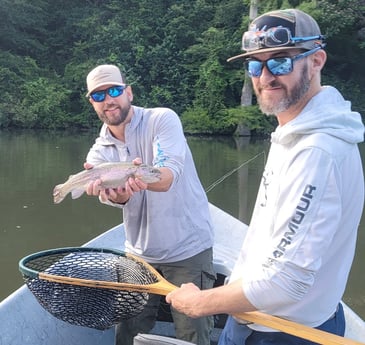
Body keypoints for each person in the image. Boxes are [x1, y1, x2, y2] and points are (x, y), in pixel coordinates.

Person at [166, 8, 365, 344]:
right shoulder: (294, 129)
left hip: (286, 333)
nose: (265, 75)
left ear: (316, 61)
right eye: (256, 64)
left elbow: (285, 281)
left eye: (281, 61)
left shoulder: (317, 151)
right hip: (254, 319)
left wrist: (201, 301)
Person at [83, 64, 216, 345]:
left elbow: (166, 176)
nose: (108, 100)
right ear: (91, 103)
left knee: (193, 335)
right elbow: (118, 198)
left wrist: (135, 175)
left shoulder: (161, 120)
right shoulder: (98, 153)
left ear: (128, 92)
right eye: (99, 96)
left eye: (115, 91)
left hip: (188, 249)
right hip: (139, 254)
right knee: (128, 332)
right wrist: (118, 193)